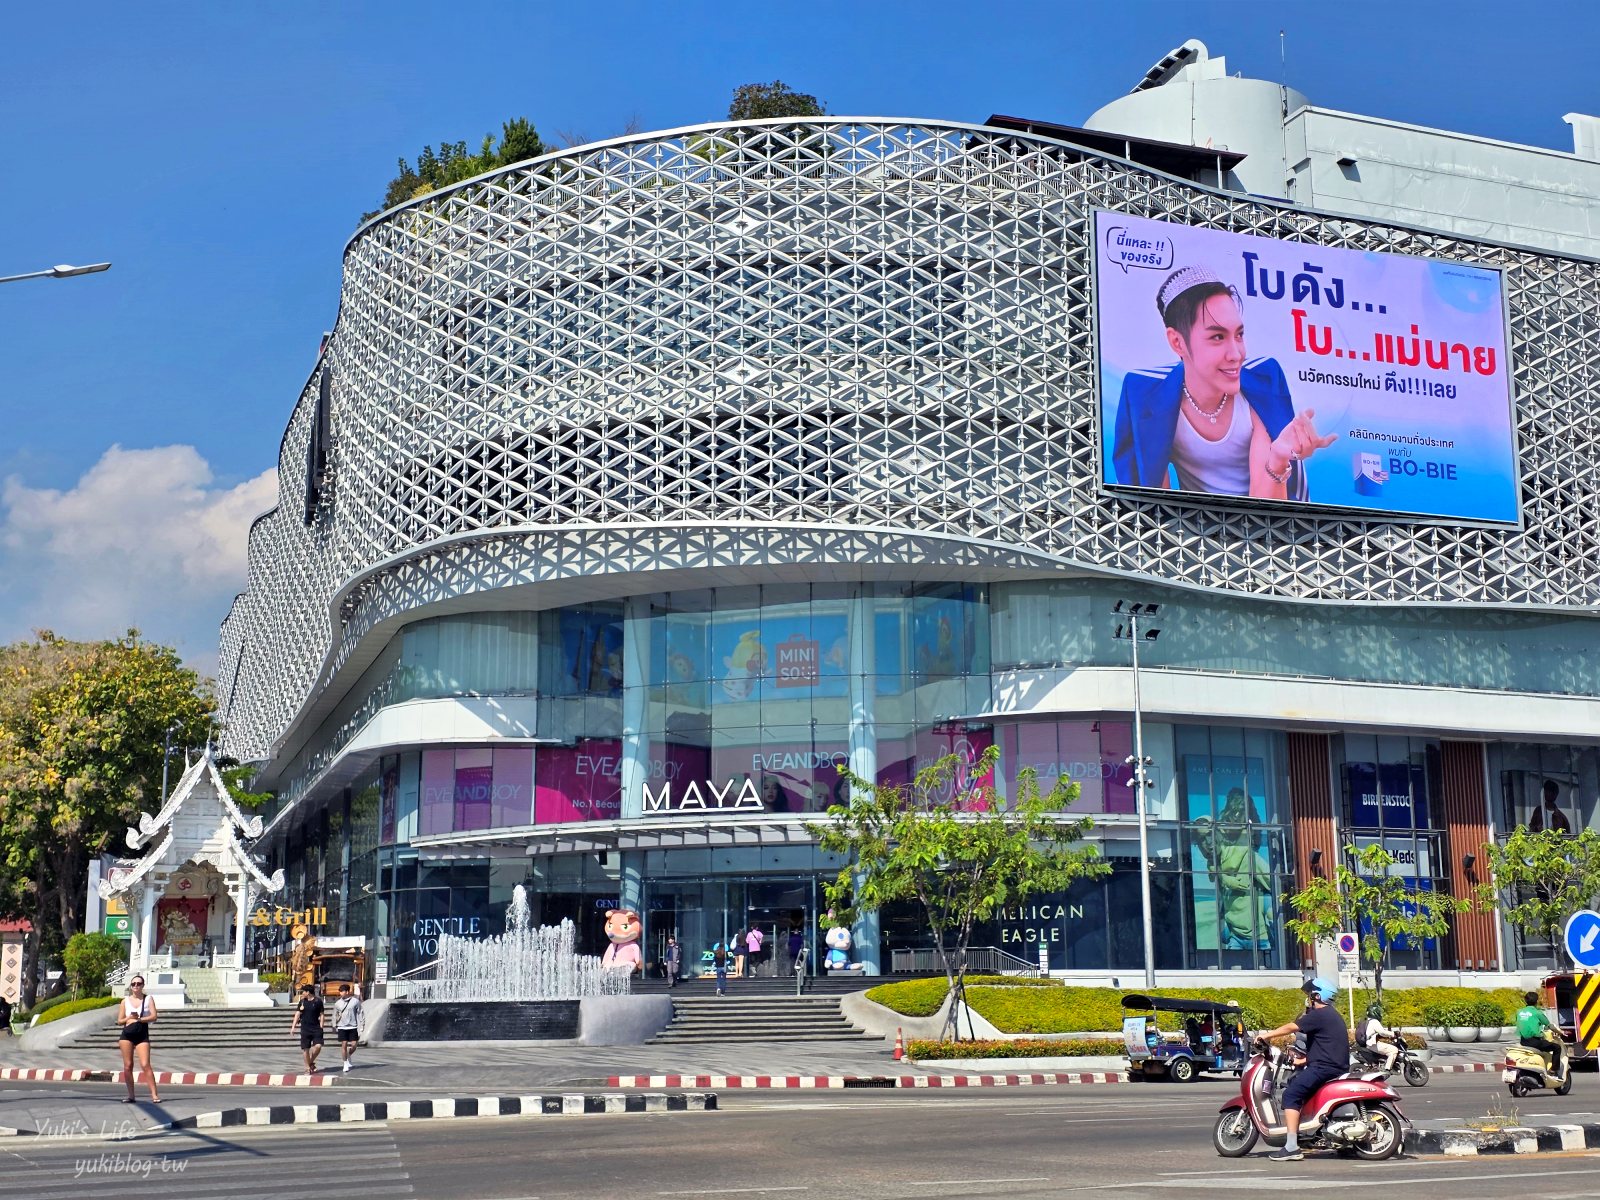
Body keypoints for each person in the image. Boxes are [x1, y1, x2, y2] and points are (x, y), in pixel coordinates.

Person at [1110, 265, 1335, 499]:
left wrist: (1277, 459)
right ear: (1177, 342)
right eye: (1217, 337)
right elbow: (1149, 503)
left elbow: (1269, 513)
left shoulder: (1263, 379)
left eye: (1239, 335)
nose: (1236, 354)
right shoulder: (1145, 393)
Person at [1257, 978, 1349, 1162]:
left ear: (1318, 995)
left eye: (1310, 996)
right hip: (1329, 1065)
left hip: (1325, 1068)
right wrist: (1303, 1060)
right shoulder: (1330, 1015)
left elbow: (1292, 1027)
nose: (1309, 1000)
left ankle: (1291, 1147)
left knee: (1291, 1094)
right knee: (1298, 1086)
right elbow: (1326, 1045)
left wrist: (1266, 1035)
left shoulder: (1320, 1014)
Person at [117, 976, 161, 1103]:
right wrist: (129, 1017)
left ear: (143, 985)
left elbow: (154, 1016)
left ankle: (154, 1095)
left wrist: (140, 1019)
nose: (136, 986)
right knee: (128, 1065)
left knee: (145, 1064)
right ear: (131, 986)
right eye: (133, 984)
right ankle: (131, 1095)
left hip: (142, 1034)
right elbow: (120, 1021)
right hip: (127, 1034)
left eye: (139, 983)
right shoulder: (125, 1001)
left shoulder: (148, 999)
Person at [1517, 990, 1563, 1077]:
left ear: (1525, 1001)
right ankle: (1553, 1070)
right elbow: (1550, 1026)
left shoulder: (1519, 1012)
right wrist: (1561, 1032)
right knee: (1557, 1047)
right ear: (1537, 1001)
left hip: (1523, 1041)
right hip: (1535, 1042)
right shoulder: (1538, 1013)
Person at [289, 983, 326, 1073]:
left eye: (304, 992)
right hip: (305, 1028)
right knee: (306, 1048)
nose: (302, 993)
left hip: (316, 1027)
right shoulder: (302, 1002)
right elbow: (297, 1014)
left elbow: (322, 1014)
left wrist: (321, 1026)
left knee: (318, 1046)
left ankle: (310, 1062)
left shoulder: (318, 1001)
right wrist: (293, 1027)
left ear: (308, 992)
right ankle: (307, 1068)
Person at [1357, 1003, 1401, 1073]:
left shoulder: (1367, 1021)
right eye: (1378, 1012)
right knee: (1394, 1050)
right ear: (1375, 1012)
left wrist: (1387, 1037)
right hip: (1371, 1045)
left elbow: (1377, 1034)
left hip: (1367, 1044)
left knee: (1383, 1045)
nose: (1380, 1014)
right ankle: (1387, 1069)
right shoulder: (1374, 1022)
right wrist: (1393, 1034)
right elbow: (1382, 1032)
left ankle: (1381, 1064)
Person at [333, 982, 365, 1074]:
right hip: (342, 1027)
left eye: (342, 991)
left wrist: (362, 1025)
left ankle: (348, 1055)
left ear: (347, 992)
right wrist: (334, 1025)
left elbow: (360, 1013)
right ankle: (345, 1063)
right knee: (344, 1044)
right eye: (340, 992)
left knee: (354, 1045)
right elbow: (335, 1015)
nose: (340, 993)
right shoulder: (338, 1003)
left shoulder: (355, 1001)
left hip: (353, 1026)